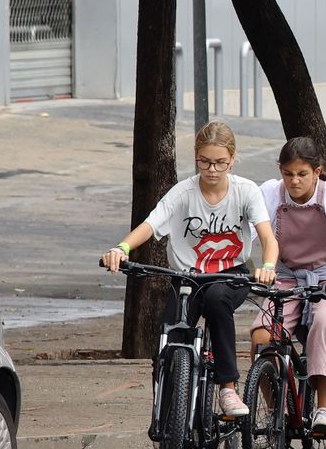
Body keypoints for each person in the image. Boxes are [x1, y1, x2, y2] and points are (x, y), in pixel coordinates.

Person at [103, 121, 278, 419]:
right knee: (170, 338)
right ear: (196, 157)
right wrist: (122, 248)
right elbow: (149, 225)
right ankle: (166, 422)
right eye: (205, 161)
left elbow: (267, 239)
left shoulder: (246, 191)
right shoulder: (182, 193)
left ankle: (227, 386)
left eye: (220, 162)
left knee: (216, 300)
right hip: (187, 278)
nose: (212, 169)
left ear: (232, 159)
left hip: (230, 275)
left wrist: (268, 266)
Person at [248, 136, 326, 437]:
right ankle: (278, 410)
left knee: (325, 323)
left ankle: (324, 408)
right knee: (262, 335)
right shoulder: (271, 194)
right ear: (280, 171)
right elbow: (247, 234)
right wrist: (249, 268)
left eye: (302, 174)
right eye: (288, 174)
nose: (294, 181)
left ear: (317, 171)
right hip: (286, 277)